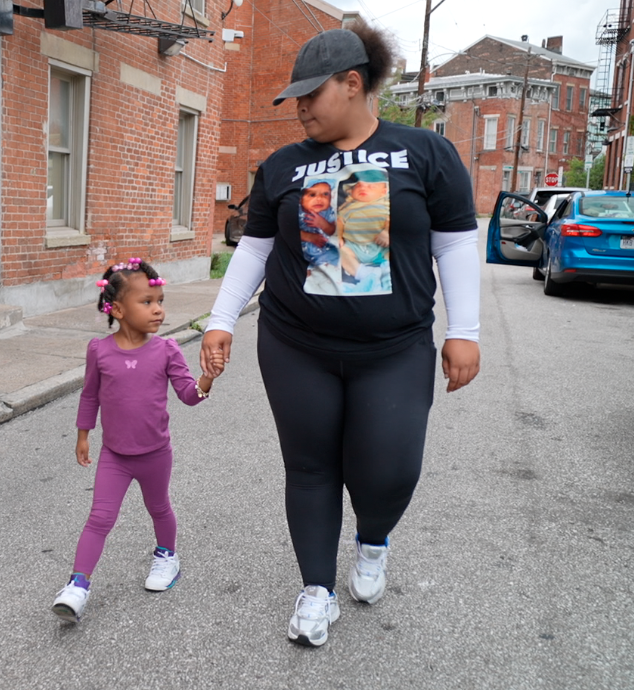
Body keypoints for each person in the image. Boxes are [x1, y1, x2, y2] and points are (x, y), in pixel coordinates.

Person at [200, 24, 481, 648]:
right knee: (309, 467)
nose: (299, 108)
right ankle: (316, 589)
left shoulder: (425, 153)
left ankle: (373, 539)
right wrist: (220, 321)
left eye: (311, 94)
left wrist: (465, 330)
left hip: (394, 349)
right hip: (295, 344)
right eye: (295, 97)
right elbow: (254, 250)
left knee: (390, 470)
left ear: (353, 83)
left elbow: (457, 243)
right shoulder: (284, 165)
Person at [52, 258, 224, 624]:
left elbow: (188, 396)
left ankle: (167, 556)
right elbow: (90, 395)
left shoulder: (167, 350)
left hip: (155, 454)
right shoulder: (99, 350)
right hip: (114, 455)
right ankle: (77, 585)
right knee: (99, 518)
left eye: (160, 301)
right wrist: (83, 435)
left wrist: (207, 378)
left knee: (159, 507)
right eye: (146, 302)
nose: (158, 309)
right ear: (116, 309)